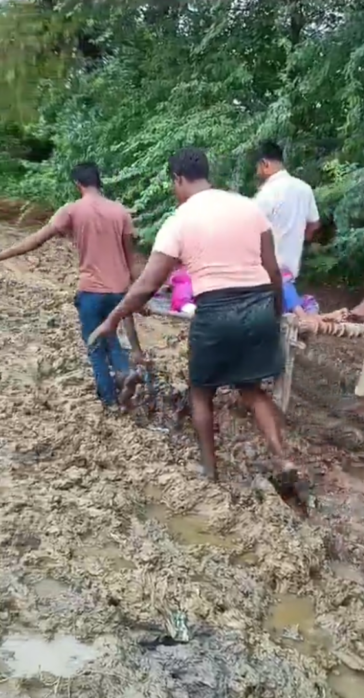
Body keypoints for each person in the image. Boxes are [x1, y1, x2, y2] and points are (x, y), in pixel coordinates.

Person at [86, 148, 299, 486]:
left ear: (178, 179)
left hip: (216, 311)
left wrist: (112, 319)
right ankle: (282, 457)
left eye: (174, 184)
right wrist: (273, 312)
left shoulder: (179, 220)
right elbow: (273, 270)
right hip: (259, 306)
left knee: (201, 392)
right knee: (253, 390)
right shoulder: (249, 208)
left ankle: (209, 471)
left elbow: (147, 285)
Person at [0, 162, 144, 407]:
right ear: (98, 181)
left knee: (95, 345)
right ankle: (124, 376)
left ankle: (109, 402)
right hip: (119, 291)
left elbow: (36, 240)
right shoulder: (120, 212)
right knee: (112, 336)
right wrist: (141, 293)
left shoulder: (72, 211)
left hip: (92, 291)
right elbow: (130, 259)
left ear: (77, 184)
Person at [253, 141, 321, 280]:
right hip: (291, 271)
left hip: (266, 273)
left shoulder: (266, 193)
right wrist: (298, 238)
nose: (257, 172)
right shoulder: (304, 188)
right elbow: (314, 224)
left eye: (257, 167)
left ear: (265, 164)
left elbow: (250, 228)